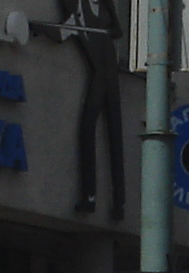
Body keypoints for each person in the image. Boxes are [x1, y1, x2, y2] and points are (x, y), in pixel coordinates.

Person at [31, 1, 126, 219]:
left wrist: (109, 30)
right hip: (99, 75)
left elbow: (118, 30)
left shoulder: (105, 5)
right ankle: (90, 196)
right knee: (87, 130)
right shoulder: (76, 8)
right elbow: (62, 32)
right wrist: (38, 27)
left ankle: (119, 202)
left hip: (110, 73)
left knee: (114, 134)